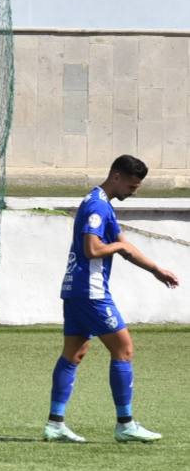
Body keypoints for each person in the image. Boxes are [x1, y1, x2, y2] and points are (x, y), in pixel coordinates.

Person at [43, 154, 179, 444]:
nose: (134, 191)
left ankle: (55, 424)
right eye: (132, 185)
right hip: (91, 292)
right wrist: (116, 245)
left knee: (74, 353)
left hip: (76, 290)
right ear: (116, 176)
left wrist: (156, 269)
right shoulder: (96, 206)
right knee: (124, 349)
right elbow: (92, 249)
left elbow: (124, 247)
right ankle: (125, 424)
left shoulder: (101, 204)